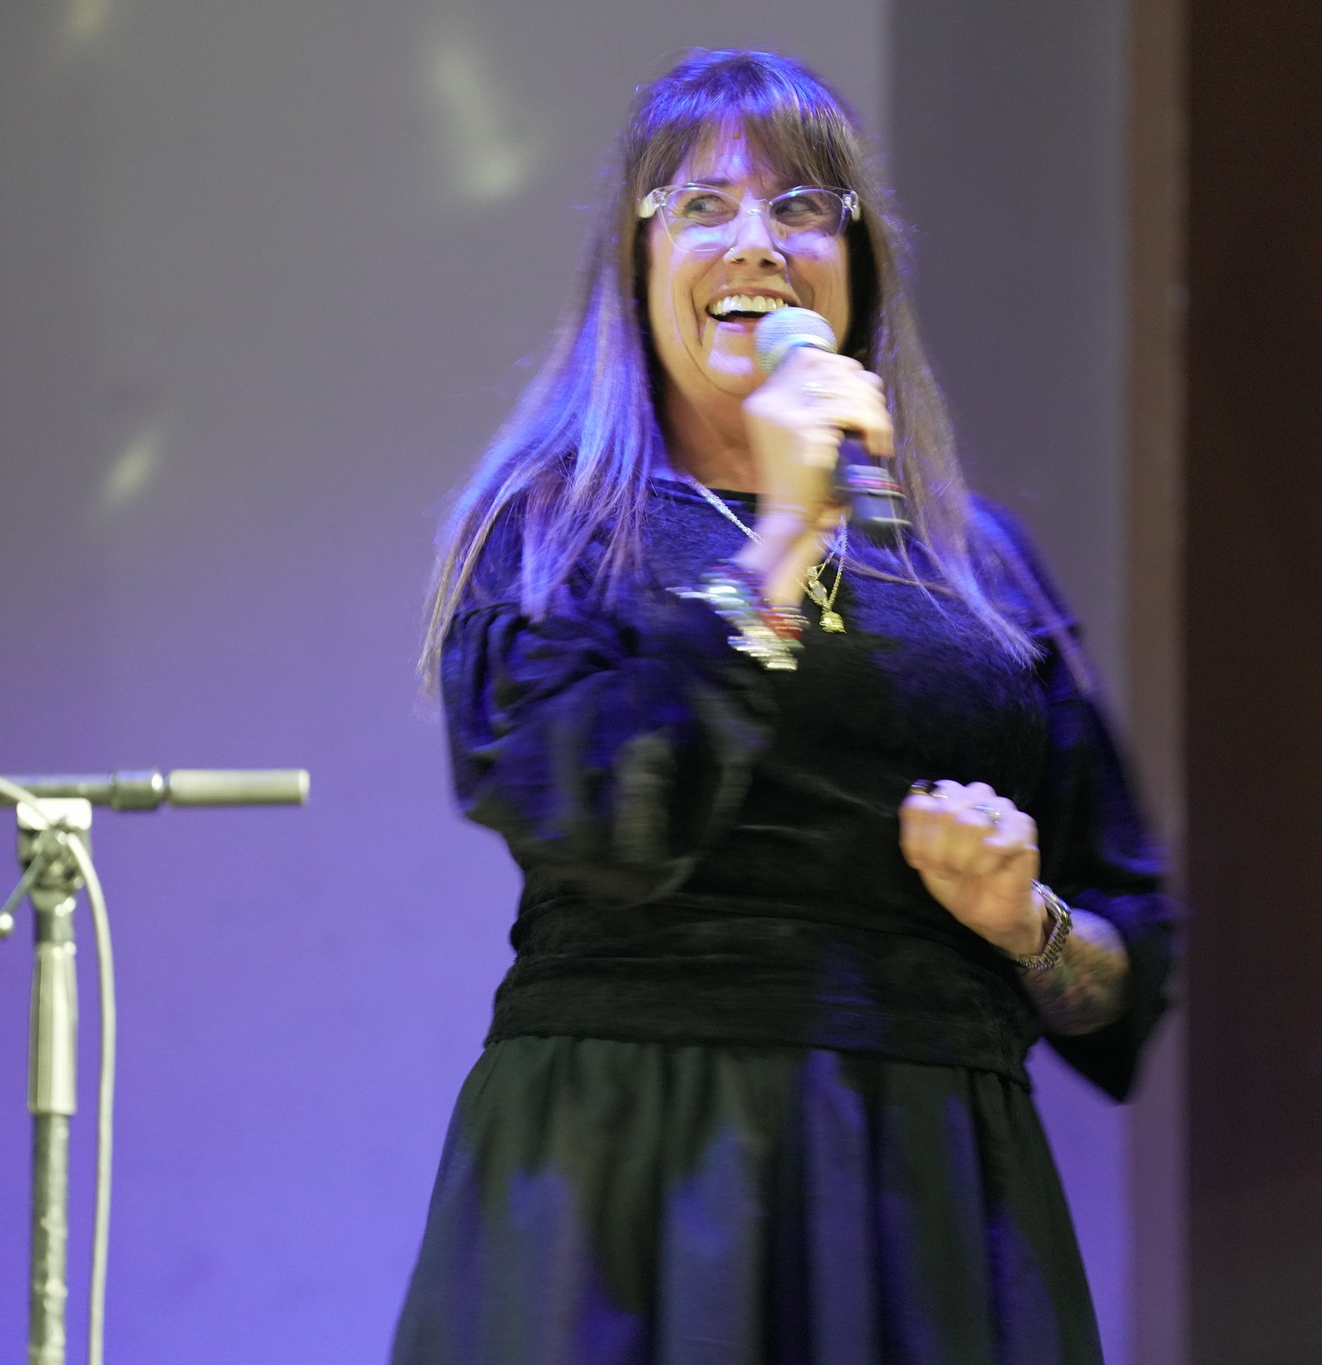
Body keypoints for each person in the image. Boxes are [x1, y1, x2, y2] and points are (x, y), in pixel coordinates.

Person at [395, 48, 1178, 1365]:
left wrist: (1029, 924)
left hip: (928, 1189)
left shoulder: (977, 564)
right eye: (701, 206)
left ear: (855, 265)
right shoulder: (551, 532)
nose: (757, 242)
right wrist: (782, 543)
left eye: (804, 207)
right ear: (637, 265)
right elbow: (607, 821)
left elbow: (1127, 969)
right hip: (632, 1173)